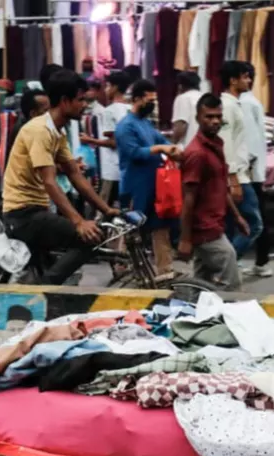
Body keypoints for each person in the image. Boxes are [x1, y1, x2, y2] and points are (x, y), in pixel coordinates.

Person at [1, 68, 119, 285]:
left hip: (36, 212)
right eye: (80, 100)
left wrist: (107, 209)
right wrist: (79, 222)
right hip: (23, 215)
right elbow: (49, 181)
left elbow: (74, 174)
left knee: (81, 237)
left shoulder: (57, 131)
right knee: (90, 239)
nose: (85, 106)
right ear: (65, 101)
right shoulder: (40, 131)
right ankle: (47, 291)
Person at [115, 78, 181, 276]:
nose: (153, 104)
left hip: (155, 186)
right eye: (149, 100)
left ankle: (165, 270)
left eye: (154, 100)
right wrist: (160, 148)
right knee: (132, 229)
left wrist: (173, 149)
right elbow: (134, 153)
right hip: (135, 186)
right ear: (136, 99)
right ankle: (122, 266)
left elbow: (162, 140)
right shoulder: (125, 126)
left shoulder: (145, 124)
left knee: (160, 228)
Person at [180, 93, 245, 291]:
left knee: (201, 285)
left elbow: (221, 186)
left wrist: (237, 216)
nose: (214, 121)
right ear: (198, 118)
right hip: (205, 228)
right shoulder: (197, 153)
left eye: (218, 116)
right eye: (209, 116)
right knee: (231, 283)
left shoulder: (216, 145)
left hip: (215, 223)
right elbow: (188, 198)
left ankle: (192, 317)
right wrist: (184, 239)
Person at [218, 61, 264, 262]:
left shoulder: (233, 105)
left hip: (236, 174)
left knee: (229, 225)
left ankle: (221, 267)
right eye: (245, 77)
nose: (249, 80)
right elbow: (226, 145)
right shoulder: (228, 107)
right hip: (236, 177)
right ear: (233, 80)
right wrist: (234, 179)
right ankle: (225, 264)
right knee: (253, 225)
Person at [239, 61, 273, 278]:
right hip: (252, 170)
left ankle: (250, 260)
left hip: (246, 173)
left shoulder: (244, 104)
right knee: (254, 217)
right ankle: (260, 261)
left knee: (249, 218)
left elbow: (249, 141)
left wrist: (246, 169)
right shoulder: (252, 102)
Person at [91, 71, 132, 209]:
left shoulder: (109, 111)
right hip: (127, 168)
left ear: (115, 87)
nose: (106, 90)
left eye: (108, 86)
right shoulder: (131, 109)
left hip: (111, 169)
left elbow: (114, 142)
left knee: (104, 208)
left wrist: (92, 141)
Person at [4, 88, 50, 174]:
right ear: (33, 114)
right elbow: (40, 165)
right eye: (45, 111)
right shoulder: (25, 132)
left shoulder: (39, 126)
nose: (50, 114)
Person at [172, 71, 203, 146]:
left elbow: (180, 127)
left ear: (180, 86)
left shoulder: (183, 98)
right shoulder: (204, 97)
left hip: (188, 147)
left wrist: (172, 143)